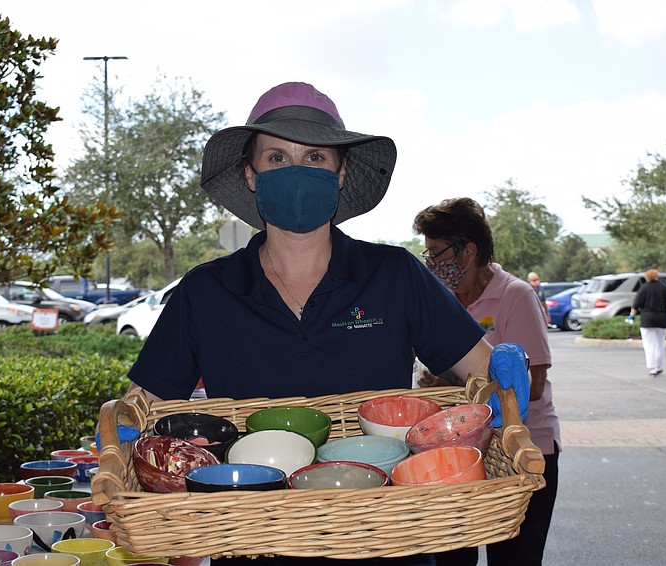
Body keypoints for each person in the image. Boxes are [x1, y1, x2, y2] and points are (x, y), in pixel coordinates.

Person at [126, 82, 493, 565]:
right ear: (250, 173)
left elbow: (485, 373)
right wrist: (116, 428)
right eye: (277, 157)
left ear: (340, 173)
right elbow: (140, 410)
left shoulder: (394, 275)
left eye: (316, 157)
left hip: (384, 542)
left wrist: (503, 387)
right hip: (252, 542)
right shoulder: (205, 292)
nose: (296, 170)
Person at [412, 197, 560, 566]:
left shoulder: (515, 296)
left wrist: (449, 387)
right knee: (451, 556)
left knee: (513, 557)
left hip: (521, 452)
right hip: (461, 451)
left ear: (468, 252)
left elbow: (534, 385)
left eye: (436, 253)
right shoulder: (445, 300)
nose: (431, 264)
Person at [627, 268, 666, 376]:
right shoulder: (664, 288)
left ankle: (652, 367)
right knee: (660, 344)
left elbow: (635, 305)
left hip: (647, 320)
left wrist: (632, 316)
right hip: (662, 320)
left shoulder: (643, 288)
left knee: (649, 345)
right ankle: (659, 366)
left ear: (647, 277)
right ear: (656, 276)